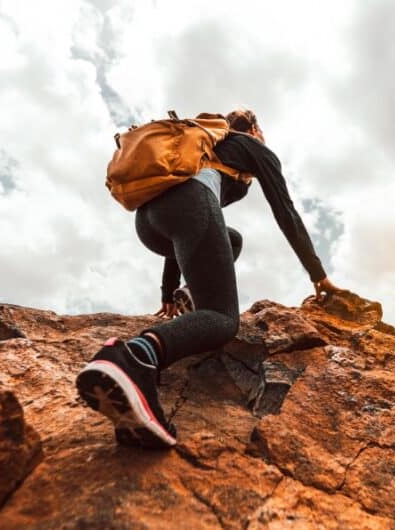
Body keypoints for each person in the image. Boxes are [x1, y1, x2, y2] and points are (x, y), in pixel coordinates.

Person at [76, 108, 346, 449]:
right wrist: (317, 274)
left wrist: (169, 292)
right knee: (221, 319)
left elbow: (180, 222)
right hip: (190, 206)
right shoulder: (253, 147)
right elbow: (285, 211)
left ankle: (189, 295)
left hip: (149, 221)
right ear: (255, 128)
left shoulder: (207, 145)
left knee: (231, 239)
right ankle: (134, 358)